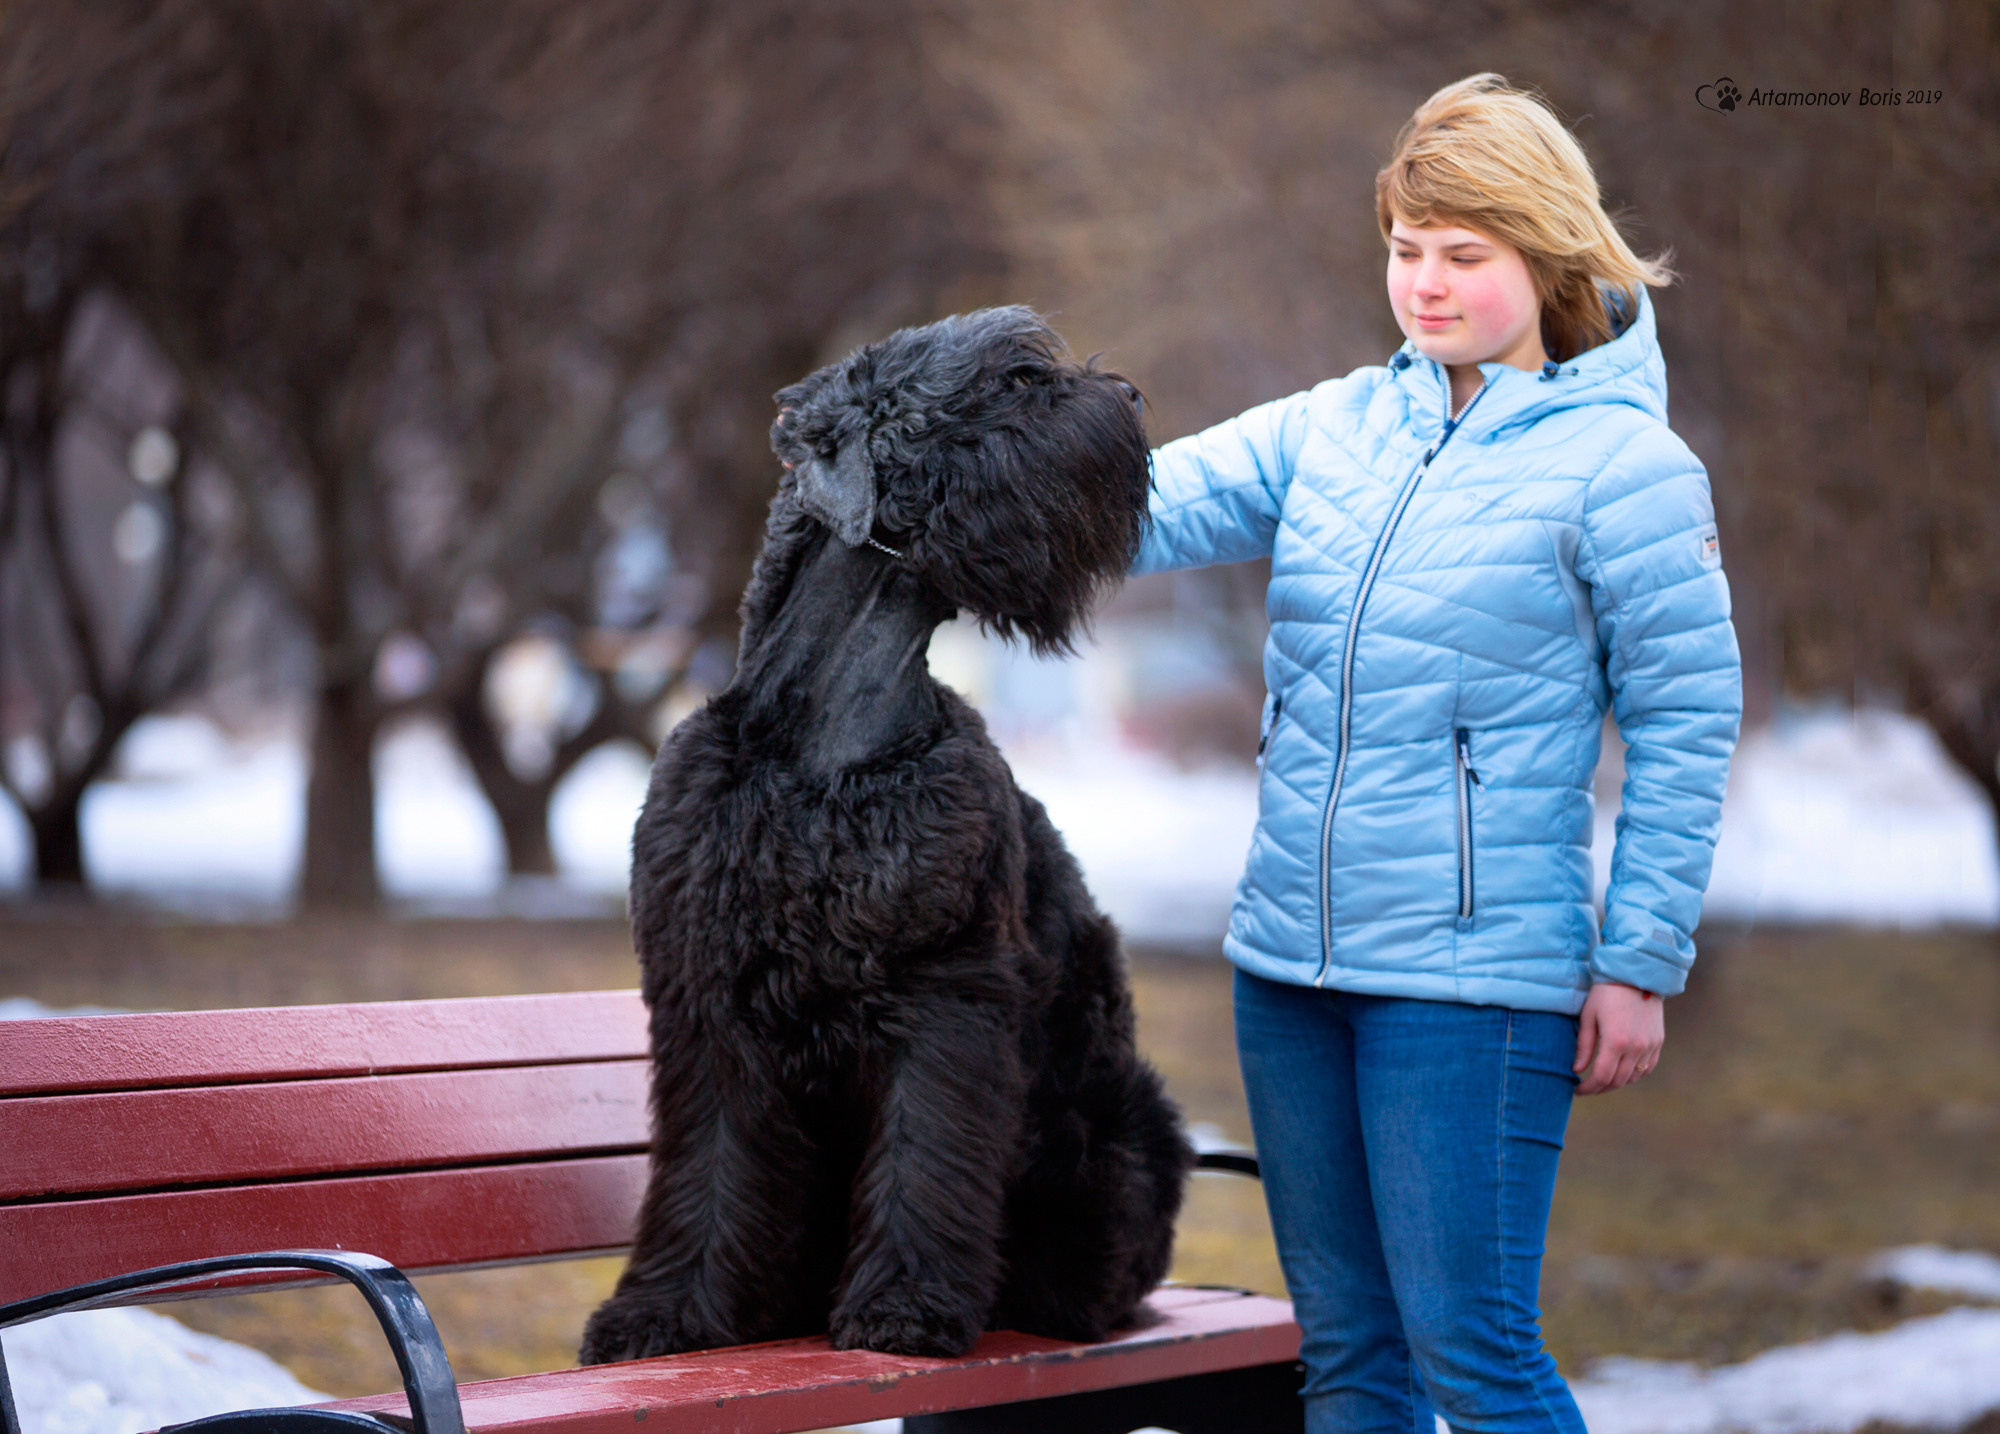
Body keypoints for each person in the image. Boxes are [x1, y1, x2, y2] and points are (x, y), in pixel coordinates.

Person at [1133, 74, 1741, 1433]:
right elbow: (1136, 505)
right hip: (1288, 970)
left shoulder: (1627, 469)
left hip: (1474, 992)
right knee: (1351, 1358)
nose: (1426, 284)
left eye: (1465, 255)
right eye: (1407, 250)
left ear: (1549, 252)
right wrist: (950, 480)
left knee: (1473, 1353)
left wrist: (1639, 960)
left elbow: (1688, 721)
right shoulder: (1338, 424)